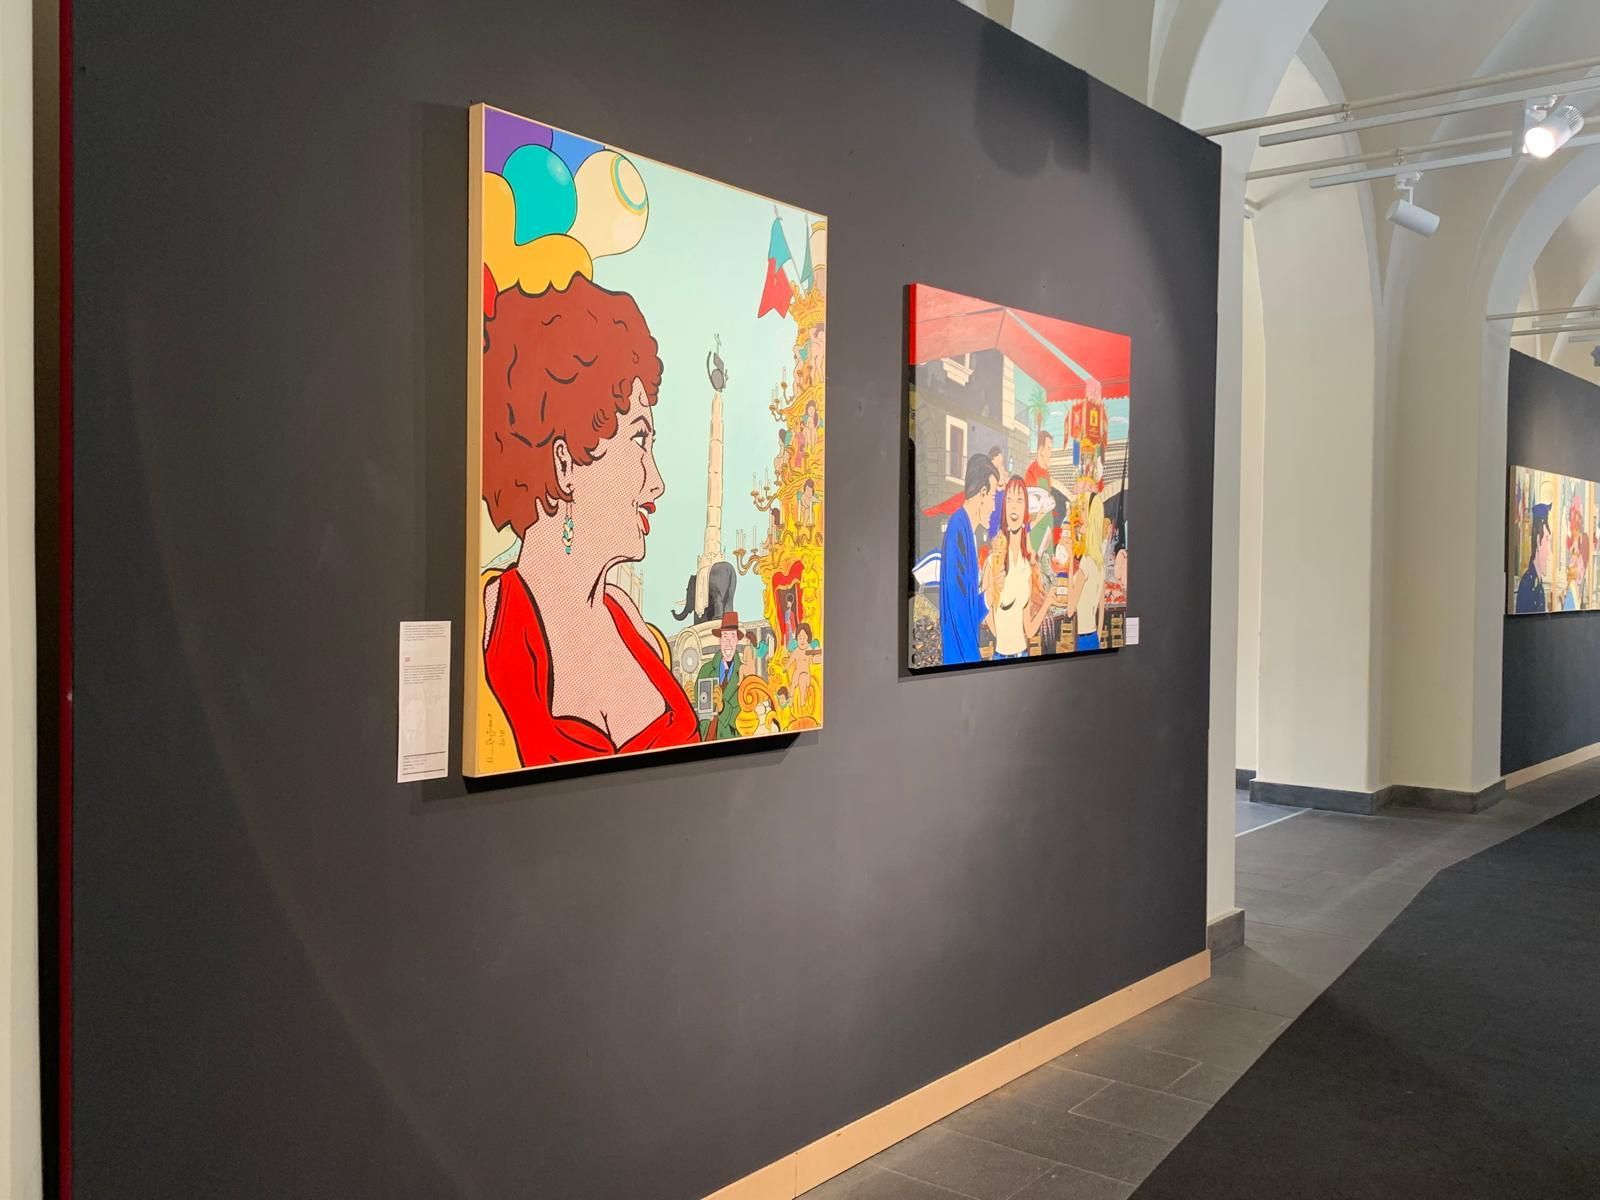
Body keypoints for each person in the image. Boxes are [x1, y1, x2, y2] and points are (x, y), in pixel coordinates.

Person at [479, 276, 698, 765]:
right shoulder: (491, 626)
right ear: (565, 463)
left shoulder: (633, 624)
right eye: (639, 440)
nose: (657, 482)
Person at [939, 453, 1001, 665]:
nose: (994, 507)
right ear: (982, 493)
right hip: (960, 659)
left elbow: (969, 609)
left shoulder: (967, 531)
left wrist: (990, 593)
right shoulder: (958, 528)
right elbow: (959, 612)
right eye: (993, 497)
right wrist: (973, 662)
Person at [985, 477, 1054, 658]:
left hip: (1023, 655)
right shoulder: (993, 561)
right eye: (1009, 499)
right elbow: (982, 609)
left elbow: (1029, 630)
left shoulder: (1027, 568)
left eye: (1019, 500)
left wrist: (1048, 601)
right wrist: (1000, 638)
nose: (1014, 506)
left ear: (1025, 510)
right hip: (1000, 657)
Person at [1068, 493, 1108, 651]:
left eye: (1083, 509)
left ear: (1092, 516)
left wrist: (1070, 559)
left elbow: (1070, 610)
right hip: (1093, 638)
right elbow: (1102, 607)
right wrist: (1098, 634)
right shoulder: (1100, 563)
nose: (1080, 515)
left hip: (1084, 639)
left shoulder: (1086, 562)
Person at [696, 611, 744, 740]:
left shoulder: (744, 674)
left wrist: (723, 708)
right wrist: (690, 700)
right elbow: (698, 712)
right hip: (704, 739)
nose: (728, 642)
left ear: (737, 640)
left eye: (732, 636)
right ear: (720, 640)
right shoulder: (705, 671)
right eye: (725, 636)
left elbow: (745, 720)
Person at [1515, 501, 1551, 614]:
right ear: (1538, 541)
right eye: (1547, 541)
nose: (1549, 552)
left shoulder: (1538, 585)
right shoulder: (1527, 585)